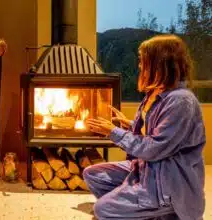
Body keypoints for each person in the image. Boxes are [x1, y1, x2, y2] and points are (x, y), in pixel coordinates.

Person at [85, 35, 206, 220]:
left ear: (160, 63)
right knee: (93, 175)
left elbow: (155, 148)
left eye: (143, 61)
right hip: (147, 167)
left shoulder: (181, 100)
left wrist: (113, 132)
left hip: (167, 180)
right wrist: (130, 124)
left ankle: (167, 208)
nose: (140, 66)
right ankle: (144, 210)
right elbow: (161, 133)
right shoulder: (157, 93)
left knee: (103, 209)